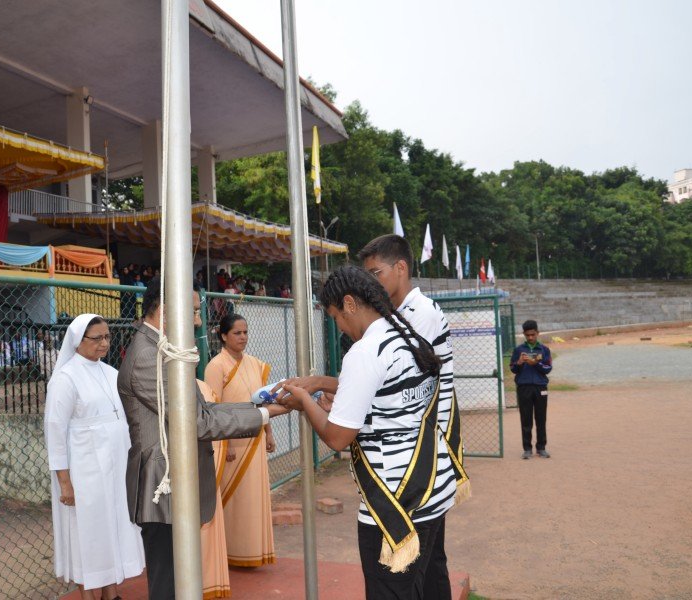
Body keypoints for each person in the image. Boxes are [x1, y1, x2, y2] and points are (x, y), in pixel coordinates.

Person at [276, 234, 468, 598]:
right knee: (421, 586)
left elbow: (337, 437)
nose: (338, 326)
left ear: (349, 304)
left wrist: (304, 401)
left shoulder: (366, 351)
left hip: (393, 502)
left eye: (335, 317)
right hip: (427, 487)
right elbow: (391, 400)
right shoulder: (405, 334)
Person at [118, 280, 290, 600]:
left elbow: (202, 410)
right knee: (169, 585)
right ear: (167, 311)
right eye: (194, 312)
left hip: (174, 485)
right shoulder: (148, 356)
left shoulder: (160, 349)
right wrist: (266, 414)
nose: (198, 321)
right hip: (162, 487)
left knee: (180, 580)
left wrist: (262, 410)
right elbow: (196, 422)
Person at [44, 314, 145, 599]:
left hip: (115, 469)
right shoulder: (65, 378)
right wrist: (65, 482)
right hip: (84, 471)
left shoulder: (111, 372)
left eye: (107, 337)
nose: (104, 343)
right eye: (97, 338)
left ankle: (110, 593)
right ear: (78, 341)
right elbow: (55, 431)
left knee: (110, 528)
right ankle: (88, 596)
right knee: (86, 532)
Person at [204, 314, 276, 568]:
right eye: (237, 333)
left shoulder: (254, 363)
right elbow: (212, 410)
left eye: (245, 332)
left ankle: (253, 551)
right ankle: (231, 553)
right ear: (224, 336)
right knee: (235, 501)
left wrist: (269, 433)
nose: (243, 337)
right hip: (230, 444)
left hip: (255, 440)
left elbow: (265, 403)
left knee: (254, 499)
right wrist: (224, 445)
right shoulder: (216, 366)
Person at [197, 379, 232, 599]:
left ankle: (210, 582)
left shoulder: (201, 385)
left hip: (208, 465)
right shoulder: (162, 384)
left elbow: (218, 416)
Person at [510, 320, 553, 459]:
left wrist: (536, 363)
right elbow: (513, 368)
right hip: (524, 387)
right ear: (524, 334)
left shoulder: (544, 349)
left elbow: (548, 368)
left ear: (537, 333)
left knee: (541, 419)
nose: (530, 337)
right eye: (527, 335)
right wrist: (519, 362)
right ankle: (527, 449)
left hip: (540, 387)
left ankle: (541, 448)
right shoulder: (519, 350)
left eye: (533, 334)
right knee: (526, 419)